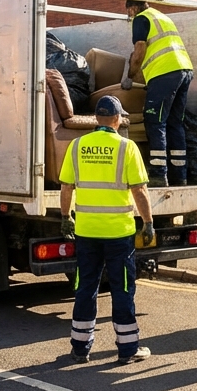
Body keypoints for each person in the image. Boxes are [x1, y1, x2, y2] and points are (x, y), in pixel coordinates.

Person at [60, 95, 156, 364]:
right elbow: (139, 190)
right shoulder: (127, 147)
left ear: (95, 118)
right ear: (116, 119)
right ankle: (127, 349)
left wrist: (66, 217)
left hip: (87, 232)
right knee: (122, 289)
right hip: (118, 234)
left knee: (85, 288)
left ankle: (80, 348)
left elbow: (66, 186)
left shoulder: (77, 146)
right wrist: (148, 223)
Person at [125, 0, 194, 187]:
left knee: (154, 121)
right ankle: (179, 176)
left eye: (128, 12)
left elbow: (139, 52)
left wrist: (129, 76)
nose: (129, 16)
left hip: (164, 73)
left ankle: (158, 174)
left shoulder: (141, 19)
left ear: (132, 8)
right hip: (184, 70)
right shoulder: (162, 17)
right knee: (175, 123)